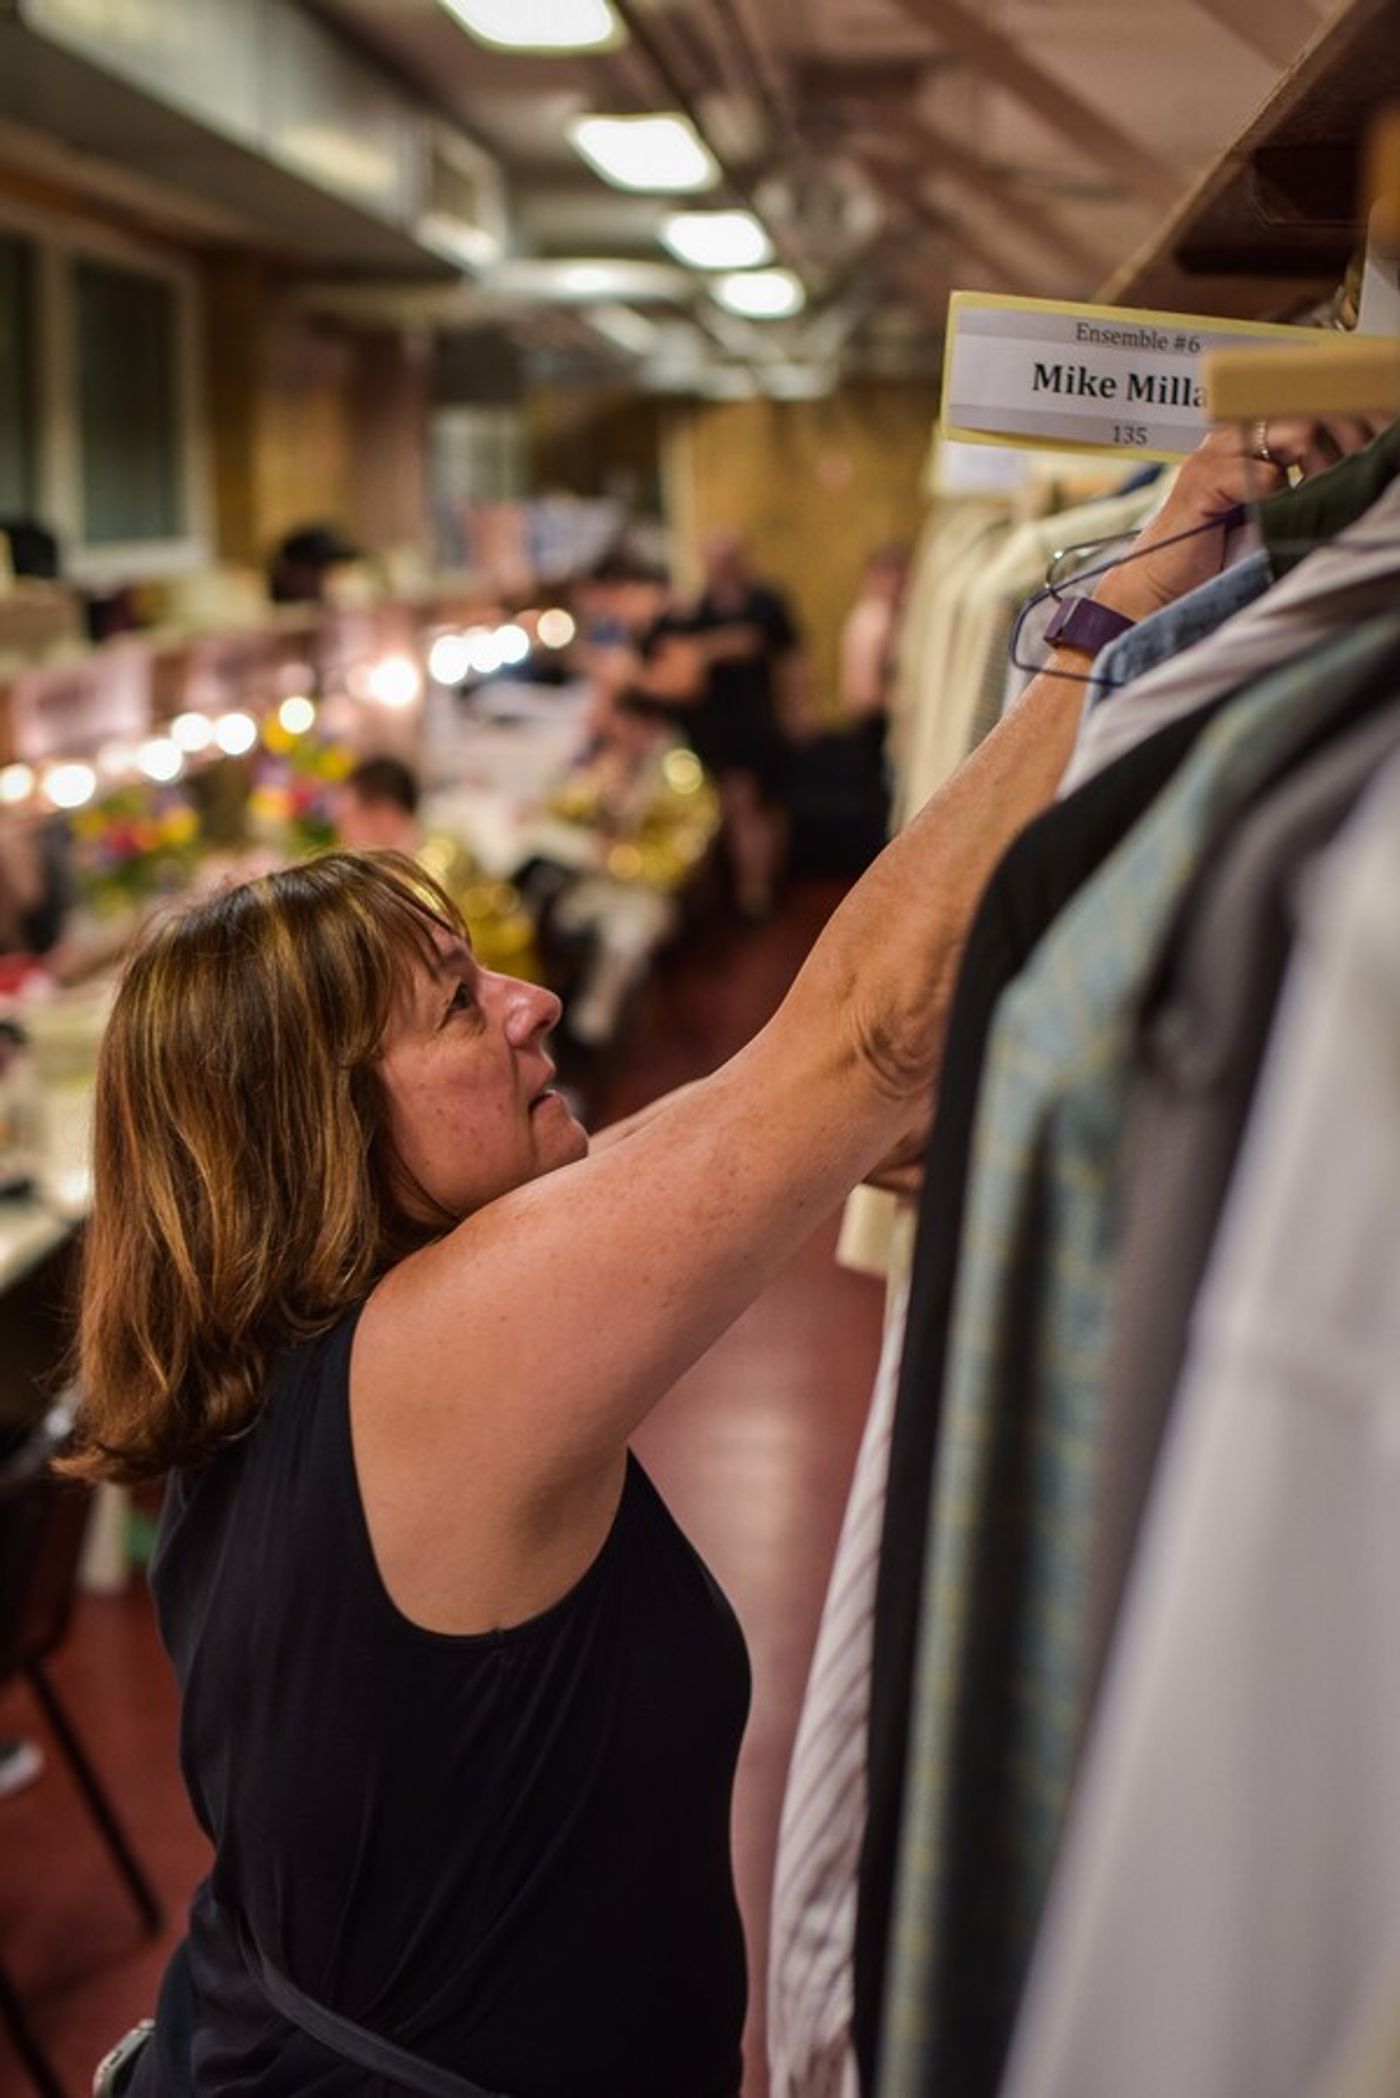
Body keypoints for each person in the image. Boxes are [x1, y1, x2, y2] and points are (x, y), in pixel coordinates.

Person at [66, 424, 1337, 2098]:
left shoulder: (328, 1356)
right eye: (459, 1003)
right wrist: (1118, 624)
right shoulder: (430, 1363)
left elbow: (767, 1109)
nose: (524, 1002)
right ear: (319, 1130)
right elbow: (855, 1040)